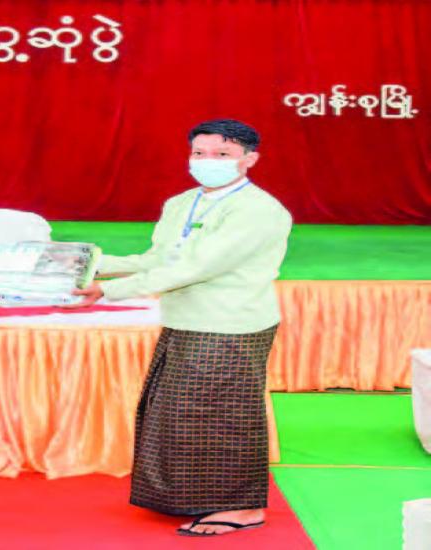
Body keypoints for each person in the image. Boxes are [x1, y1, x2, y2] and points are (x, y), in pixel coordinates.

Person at [71, 119, 292, 536]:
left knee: (226, 415)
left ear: (250, 159)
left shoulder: (258, 210)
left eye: (222, 154)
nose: (208, 161)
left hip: (230, 325)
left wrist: (108, 291)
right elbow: (157, 260)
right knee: (179, 413)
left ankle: (243, 507)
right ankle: (192, 496)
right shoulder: (182, 202)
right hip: (184, 320)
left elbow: (196, 268)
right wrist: (86, 265)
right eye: (199, 153)